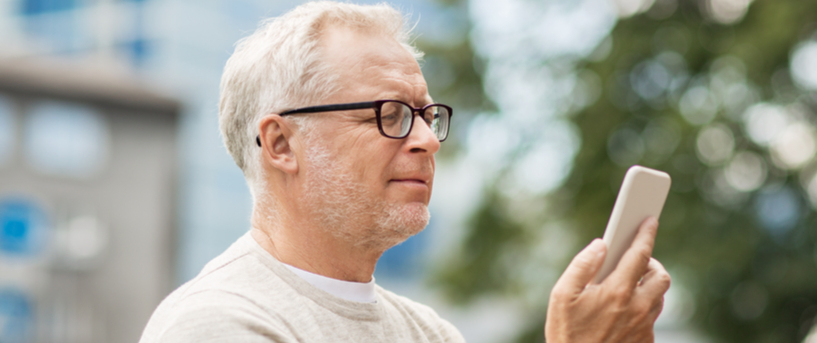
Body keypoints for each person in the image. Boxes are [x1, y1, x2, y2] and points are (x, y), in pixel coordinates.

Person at [138, 2, 670, 342]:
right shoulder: (219, 324)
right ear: (281, 143)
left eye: (427, 115)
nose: (426, 140)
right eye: (389, 114)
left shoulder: (430, 333)